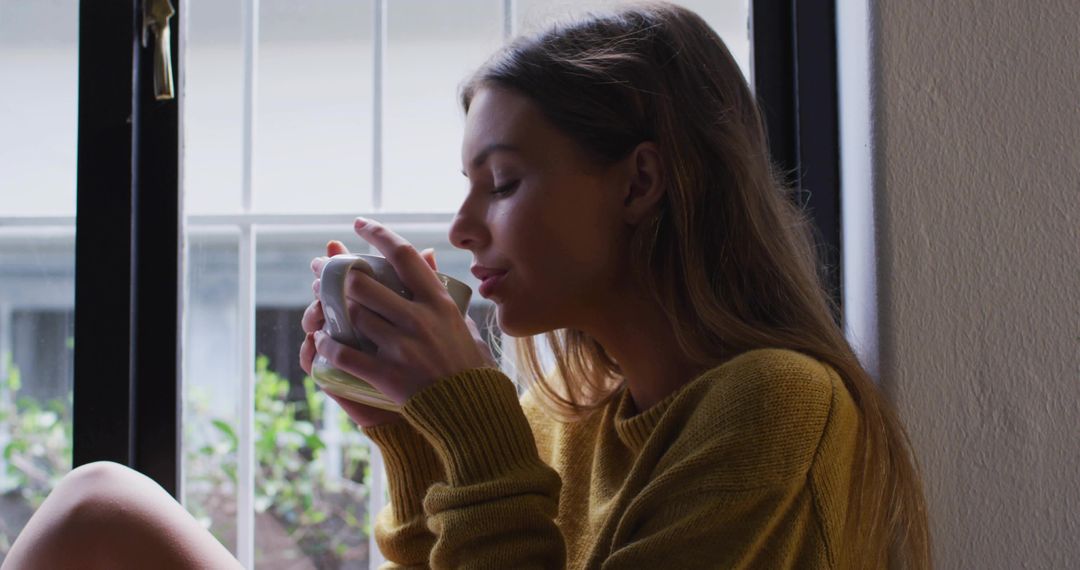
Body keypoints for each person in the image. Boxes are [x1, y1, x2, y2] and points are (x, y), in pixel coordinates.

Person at [2, 2, 930, 568]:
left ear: (640, 182)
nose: (462, 229)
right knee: (100, 506)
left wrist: (472, 427)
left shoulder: (777, 403)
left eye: (504, 182)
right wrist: (415, 443)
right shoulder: (564, 421)